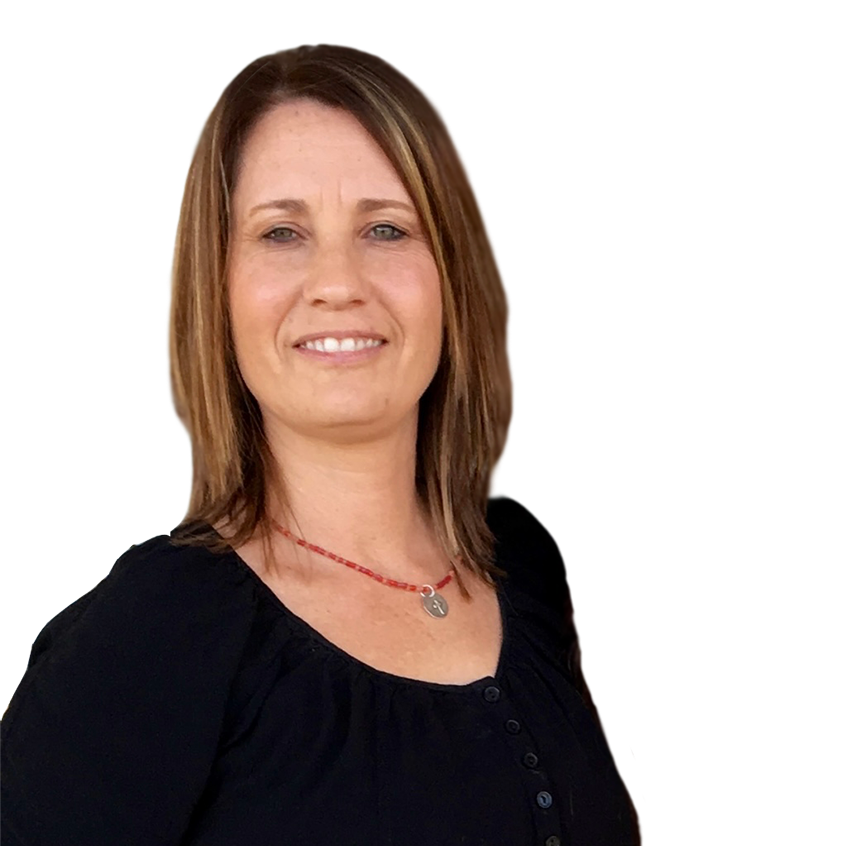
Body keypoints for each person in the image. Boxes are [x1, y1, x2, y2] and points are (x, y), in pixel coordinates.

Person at [0, 44, 641, 845]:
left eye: (384, 227)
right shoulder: (144, 639)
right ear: (218, 288)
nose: (337, 281)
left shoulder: (527, 565)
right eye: (281, 233)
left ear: (452, 275)